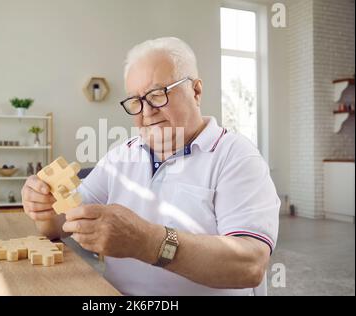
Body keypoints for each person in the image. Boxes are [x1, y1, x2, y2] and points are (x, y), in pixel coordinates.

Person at [21, 37, 280, 295]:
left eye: (158, 95)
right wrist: (42, 207)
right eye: (135, 101)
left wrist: (146, 242)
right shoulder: (121, 155)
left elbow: (250, 264)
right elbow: (60, 223)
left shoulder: (236, 157)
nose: (146, 112)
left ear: (196, 91)